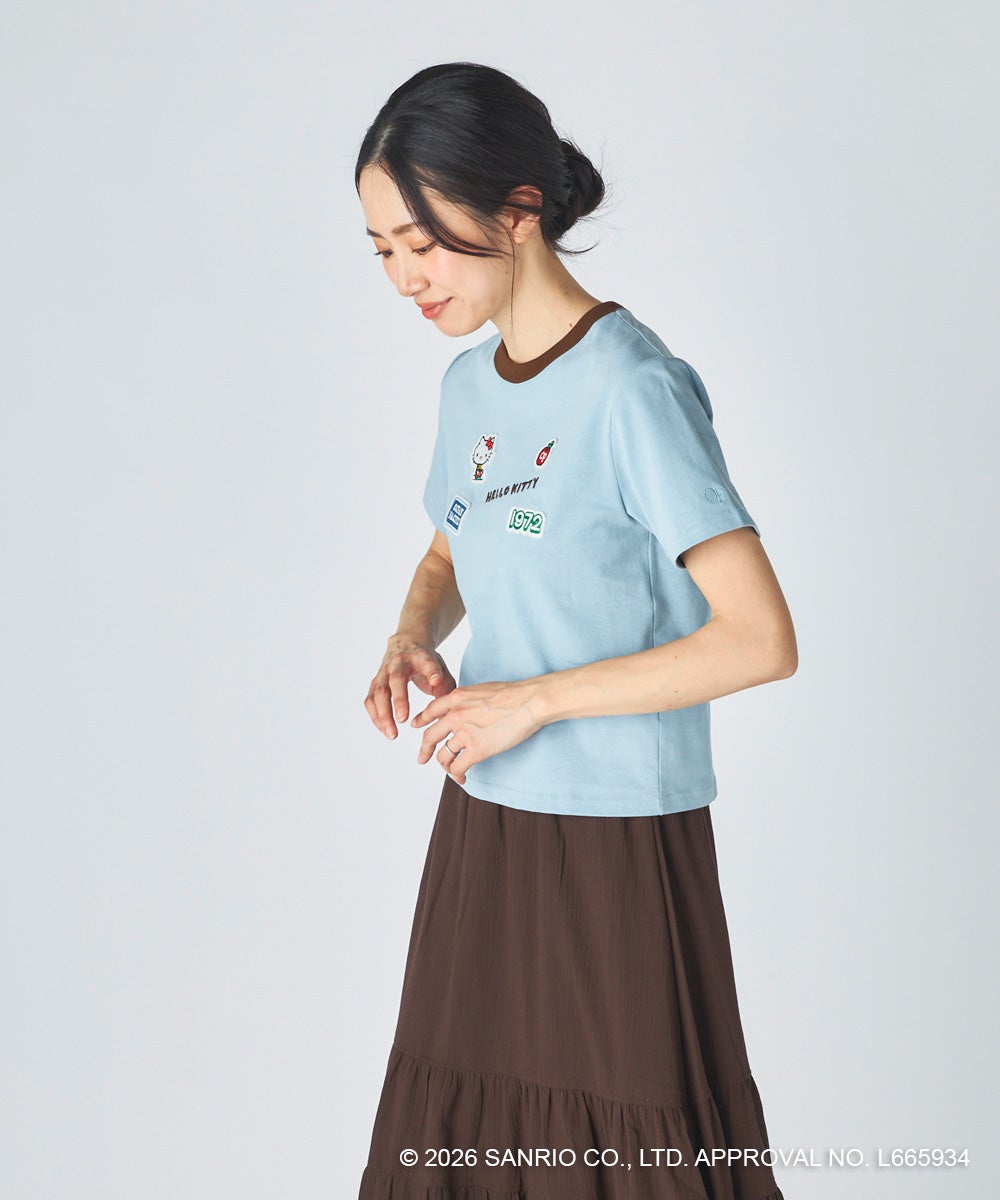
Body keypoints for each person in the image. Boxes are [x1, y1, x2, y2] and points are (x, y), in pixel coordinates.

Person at [355, 61, 796, 1200]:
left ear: (518, 209)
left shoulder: (634, 388)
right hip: (486, 818)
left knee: (624, 1159)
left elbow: (759, 639)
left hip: (613, 838)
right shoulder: (469, 389)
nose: (405, 278)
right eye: (382, 251)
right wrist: (411, 634)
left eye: (422, 242)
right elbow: (452, 548)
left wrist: (532, 700)